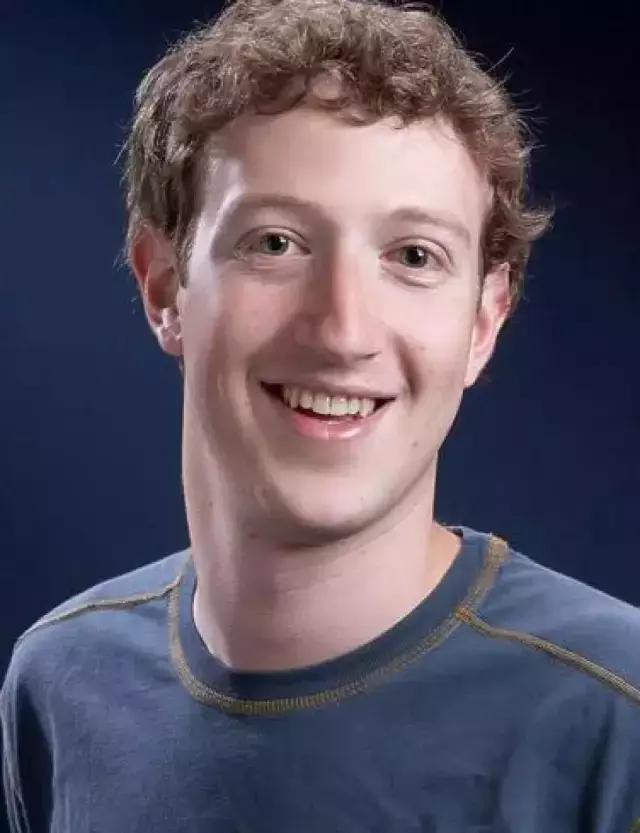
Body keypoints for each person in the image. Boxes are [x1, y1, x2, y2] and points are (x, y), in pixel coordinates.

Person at [2, 0, 639, 830]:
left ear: (484, 321)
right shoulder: (59, 686)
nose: (342, 330)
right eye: (275, 243)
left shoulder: (616, 722)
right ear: (163, 285)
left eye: (414, 256)